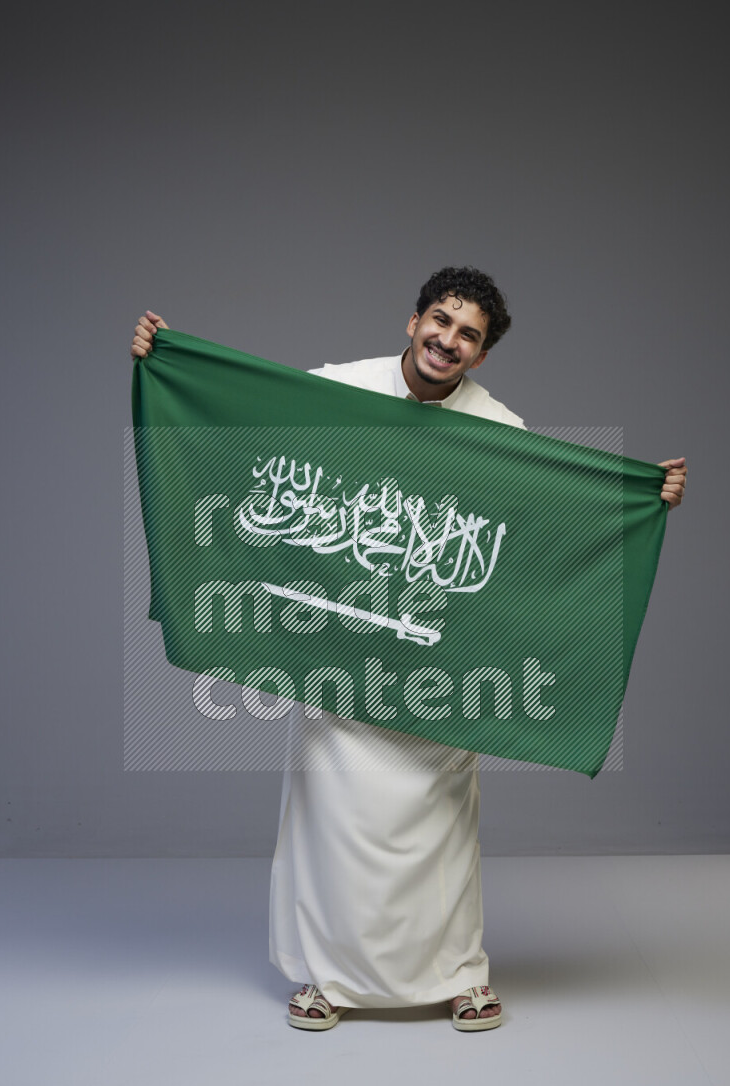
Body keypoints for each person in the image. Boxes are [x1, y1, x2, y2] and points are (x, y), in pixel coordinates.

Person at [131, 267, 687, 1032]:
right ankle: (324, 978)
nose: (448, 341)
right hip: (339, 642)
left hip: (438, 660)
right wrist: (167, 363)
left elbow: (542, 526)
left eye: (468, 335)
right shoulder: (337, 390)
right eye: (440, 321)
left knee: (440, 823)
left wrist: (635, 496)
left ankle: (459, 973)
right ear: (412, 320)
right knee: (332, 813)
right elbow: (245, 428)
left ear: (481, 355)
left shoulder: (498, 429)